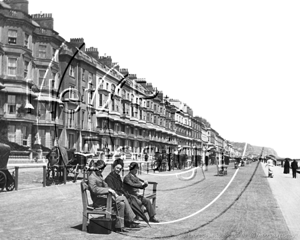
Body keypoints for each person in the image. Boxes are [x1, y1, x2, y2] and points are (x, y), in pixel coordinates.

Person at [88, 160, 134, 232]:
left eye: (102, 169)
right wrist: (108, 190)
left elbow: (105, 185)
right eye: (99, 169)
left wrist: (109, 188)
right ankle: (131, 218)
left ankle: (119, 227)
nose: (100, 170)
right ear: (95, 167)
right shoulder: (92, 177)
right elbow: (94, 189)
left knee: (121, 204)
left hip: (104, 198)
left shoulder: (99, 175)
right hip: (99, 201)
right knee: (123, 198)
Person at [104, 159, 139, 228]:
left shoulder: (118, 177)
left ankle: (125, 223)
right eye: (117, 168)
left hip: (119, 196)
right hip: (111, 198)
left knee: (131, 198)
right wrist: (121, 194)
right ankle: (131, 219)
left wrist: (125, 193)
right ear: (113, 167)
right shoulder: (109, 178)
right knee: (123, 201)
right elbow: (112, 190)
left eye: (120, 169)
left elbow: (121, 188)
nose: (118, 170)